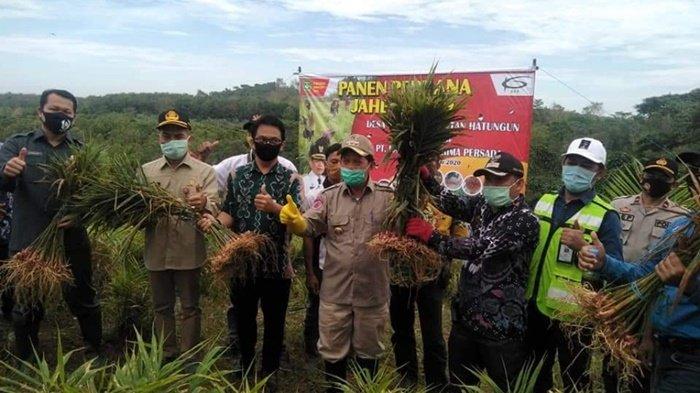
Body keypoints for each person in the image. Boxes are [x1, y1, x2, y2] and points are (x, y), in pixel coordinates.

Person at [405, 152, 539, 390]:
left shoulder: (524, 221)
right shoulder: (484, 206)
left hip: (500, 328)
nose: (491, 186)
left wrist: (432, 236)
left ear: (519, 184)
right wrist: (426, 178)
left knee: (506, 387)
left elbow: (478, 248)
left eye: (498, 180)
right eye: (488, 180)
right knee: (459, 385)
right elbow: (453, 204)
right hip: (466, 321)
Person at [578, 150, 700, 393]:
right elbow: (645, 273)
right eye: (695, 177)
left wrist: (690, 284)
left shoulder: (677, 216)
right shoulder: (682, 228)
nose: (696, 185)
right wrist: (604, 263)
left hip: (692, 357)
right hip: (662, 343)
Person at [278, 134, 393, 391]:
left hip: (372, 293)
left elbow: (402, 231)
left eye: (357, 162)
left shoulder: (387, 199)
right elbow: (309, 224)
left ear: (371, 164)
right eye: (346, 161)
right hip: (336, 294)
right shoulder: (328, 197)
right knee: (333, 351)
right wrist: (297, 222)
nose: (351, 167)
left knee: (369, 352)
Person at [199, 115, 303, 382]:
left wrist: (275, 208)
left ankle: (269, 375)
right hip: (243, 263)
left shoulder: (291, 177)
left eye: (273, 140)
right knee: (245, 322)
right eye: (262, 139)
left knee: (274, 325)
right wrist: (215, 222)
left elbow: (298, 221)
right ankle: (245, 371)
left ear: (282, 143)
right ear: (252, 141)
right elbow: (229, 213)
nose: (267, 144)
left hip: (276, 266)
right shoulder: (238, 174)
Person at [0, 89, 102, 360]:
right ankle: (28, 360)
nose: (61, 116)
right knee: (27, 304)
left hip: (72, 240)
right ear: (40, 112)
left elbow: (96, 198)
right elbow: (3, 184)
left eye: (67, 112)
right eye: (55, 109)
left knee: (83, 297)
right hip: (29, 240)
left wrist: (81, 215)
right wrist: (7, 172)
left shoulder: (82, 152)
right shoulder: (18, 145)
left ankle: (96, 351)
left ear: (74, 117)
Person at [525, 137, 623, 392]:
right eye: (573, 161)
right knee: (533, 374)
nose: (577, 169)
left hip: (575, 317)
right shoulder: (541, 201)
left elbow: (616, 267)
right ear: (563, 163)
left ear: (599, 172)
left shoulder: (606, 215)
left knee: (574, 379)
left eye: (586, 165)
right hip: (534, 306)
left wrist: (585, 248)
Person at [141, 109, 219, 361]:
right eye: (166, 136)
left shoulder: (205, 171)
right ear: (159, 139)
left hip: (189, 249)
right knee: (161, 307)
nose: (172, 140)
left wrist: (204, 201)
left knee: (190, 307)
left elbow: (215, 204)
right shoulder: (146, 172)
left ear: (188, 137)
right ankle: (166, 354)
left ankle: (190, 357)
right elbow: (134, 212)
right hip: (156, 250)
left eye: (178, 135)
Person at [605, 156, 688, 393]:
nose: (655, 179)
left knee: (640, 363)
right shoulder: (618, 205)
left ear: (674, 185)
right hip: (615, 291)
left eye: (664, 177)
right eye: (651, 173)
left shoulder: (681, 217)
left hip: (649, 297)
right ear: (642, 176)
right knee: (611, 355)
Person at [388, 155, 452, 390]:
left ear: (439, 162)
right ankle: (407, 377)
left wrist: (437, 245)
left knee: (433, 333)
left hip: (432, 276)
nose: (427, 164)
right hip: (401, 274)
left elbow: (460, 235)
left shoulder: (447, 199)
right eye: (422, 160)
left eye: (432, 160)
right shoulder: (399, 196)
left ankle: (437, 382)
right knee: (401, 329)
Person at [303, 143, 341, 357]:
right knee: (317, 304)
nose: (338, 167)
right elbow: (308, 236)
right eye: (333, 162)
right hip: (322, 263)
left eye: (342, 162)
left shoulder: (355, 196)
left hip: (346, 264)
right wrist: (310, 272)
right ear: (325, 164)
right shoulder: (315, 196)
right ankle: (311, 346)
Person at [213, 115, 297, 192]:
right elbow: (207, 179)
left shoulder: (287, 167)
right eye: (251, 133)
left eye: (272, 139)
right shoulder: (232, 166)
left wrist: (275, 208)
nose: (265, 142)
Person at [302, 145, 326, 209]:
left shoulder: (327, 180)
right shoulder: (303, 181)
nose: (320, 164)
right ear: (310, 163)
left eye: (322, 162)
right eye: (317, 161)